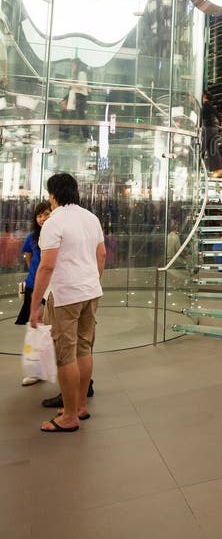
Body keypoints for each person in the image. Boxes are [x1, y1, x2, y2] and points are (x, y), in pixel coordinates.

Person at [29, 173, 106, 433]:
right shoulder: (90, 218)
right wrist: (91, 281)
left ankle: (69, 416)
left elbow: (47, 266)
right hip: (90, 292)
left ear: (53, 194)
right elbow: (102, 255)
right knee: (84, 349)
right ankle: (80, 406)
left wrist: (34, 303)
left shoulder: (54, 222)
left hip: (65, 296)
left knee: (65, 355)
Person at [17, 202, 52, 387]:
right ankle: (36, 370)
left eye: (46, 214)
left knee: (53, 329)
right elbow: (28, 255)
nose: (42, 218)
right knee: (35, 328)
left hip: (53, 288)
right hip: (34, 286)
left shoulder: (56, 234)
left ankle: (51, 366)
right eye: (39, 215)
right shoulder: (32, 237)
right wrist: (34, 274)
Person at [201, 91, 222, 177]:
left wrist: (221, 120)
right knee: (212, 150)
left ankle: (197, 169)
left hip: (208, 129)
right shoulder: (206, 104)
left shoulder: (206, 104)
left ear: (204, 96)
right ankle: (219, 170)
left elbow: (215, 112)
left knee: (201, 148)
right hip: (211, 129)